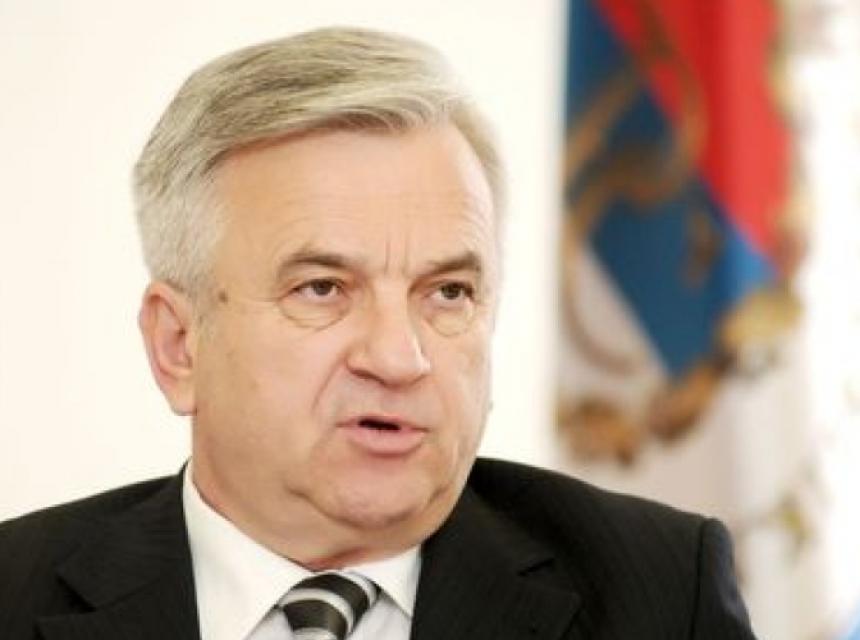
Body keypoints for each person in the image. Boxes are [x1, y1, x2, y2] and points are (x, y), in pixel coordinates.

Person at [0, 27, 756, 639]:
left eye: (449, 292)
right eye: (322, 289)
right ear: (178, 346)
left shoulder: (660, 597)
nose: (401, 358)